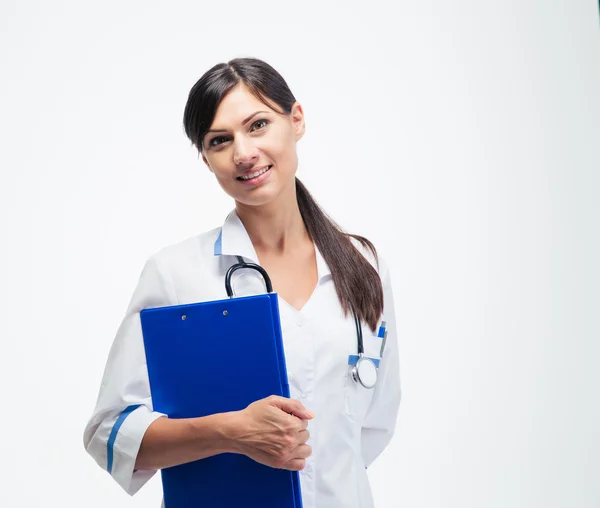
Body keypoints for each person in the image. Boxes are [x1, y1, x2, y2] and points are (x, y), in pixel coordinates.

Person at [83, 57, 401, 508]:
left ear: (296, 120)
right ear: (206, 158)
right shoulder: (177, 274)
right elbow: (110, 432)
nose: (243, 153)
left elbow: (371, 428)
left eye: (258, 125)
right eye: (219, 140)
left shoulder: (363, 265)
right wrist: (229, 433)